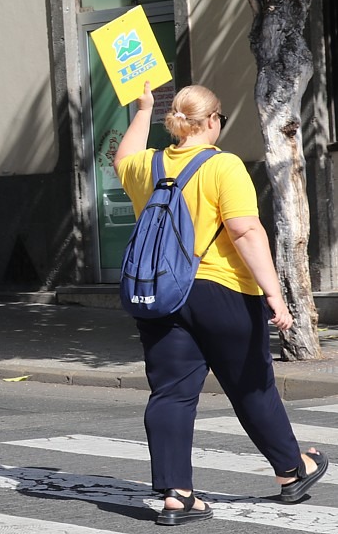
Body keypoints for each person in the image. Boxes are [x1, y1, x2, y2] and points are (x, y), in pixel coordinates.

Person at [113, 82, 328, 526]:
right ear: (211, 120)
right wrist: (274, 292)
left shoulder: (146, 166)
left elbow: (121, 158)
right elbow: (246, 232)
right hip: (222, 289)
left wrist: (143, 109)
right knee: (251, 384)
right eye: (221, 120)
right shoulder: (223, 165)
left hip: (163, 292)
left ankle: (177, 495)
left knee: (171, 392)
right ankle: (291, 471)